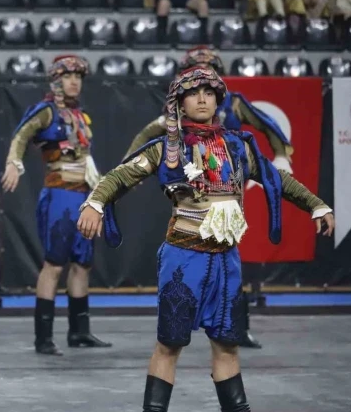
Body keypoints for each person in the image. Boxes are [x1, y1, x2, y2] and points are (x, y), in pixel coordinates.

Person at [77, 66, 335, 412]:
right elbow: (120, 176)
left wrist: (316, 204)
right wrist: (95, 202)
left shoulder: (238, 146)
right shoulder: (166, 147)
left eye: (210, 92)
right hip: (184, 258)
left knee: (227, 344)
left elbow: (276, 180)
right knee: (169, 344)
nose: (202, 98)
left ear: (218, 99)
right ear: (179, 102)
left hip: (226, 260)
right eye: (194, 92)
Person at [126, 45, 298, 348]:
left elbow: (267, 125)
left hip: (228, 189)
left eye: (210, 72)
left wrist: (282, 156)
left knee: (230, 254)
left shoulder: (234, 104)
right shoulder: (178, 113)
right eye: (196, 72)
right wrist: (129, 167)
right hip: (194, 190)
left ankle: (237, 326)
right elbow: (146, 134)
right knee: (193, 254)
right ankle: (186, 322)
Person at [1, 55, 112, 356]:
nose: (74, 81)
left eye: (78, 76)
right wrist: (14, 162)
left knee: (83, 263)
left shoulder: (80, 116)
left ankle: (80, 332)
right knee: (54, 264)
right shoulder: (46, 111)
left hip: (84, 196)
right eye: (68, 76)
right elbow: (22, 135)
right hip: (60, 196)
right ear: (56, 80)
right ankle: (44, 337)